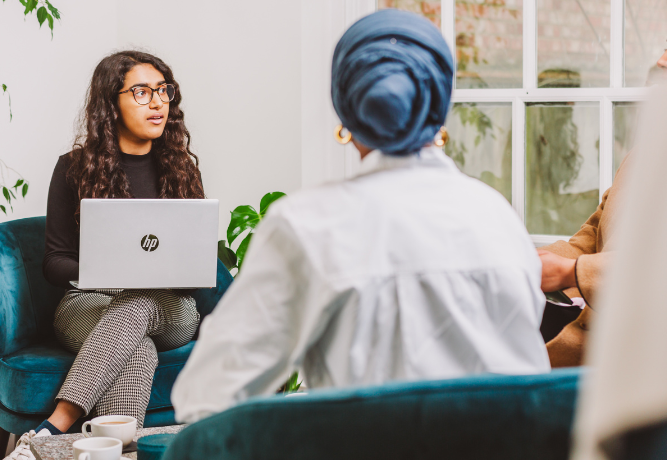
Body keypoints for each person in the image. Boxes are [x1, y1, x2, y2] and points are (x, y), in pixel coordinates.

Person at [171, 9, 550, 425]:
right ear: (440, 111)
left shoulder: (306, 225)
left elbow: (207, 398)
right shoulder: (497, 216)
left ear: (345, 116)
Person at [5, 51, 205, 460]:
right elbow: (55, 262)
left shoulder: (182, 169)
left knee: (139, 303)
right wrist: (106, 269)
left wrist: (172, 270)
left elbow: (196, 267)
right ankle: (119, 452)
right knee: (137, 349)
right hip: (90, 300)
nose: (157, 102)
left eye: (163, 90)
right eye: (142, 91)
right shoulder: (73, 169)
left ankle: (50, 429)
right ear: (110, 102)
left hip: (170, 304)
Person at [539, 48, 667, 368]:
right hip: (590, 356)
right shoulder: (643, 155)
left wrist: (572, 273)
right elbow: (591, 234)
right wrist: (534, 262)